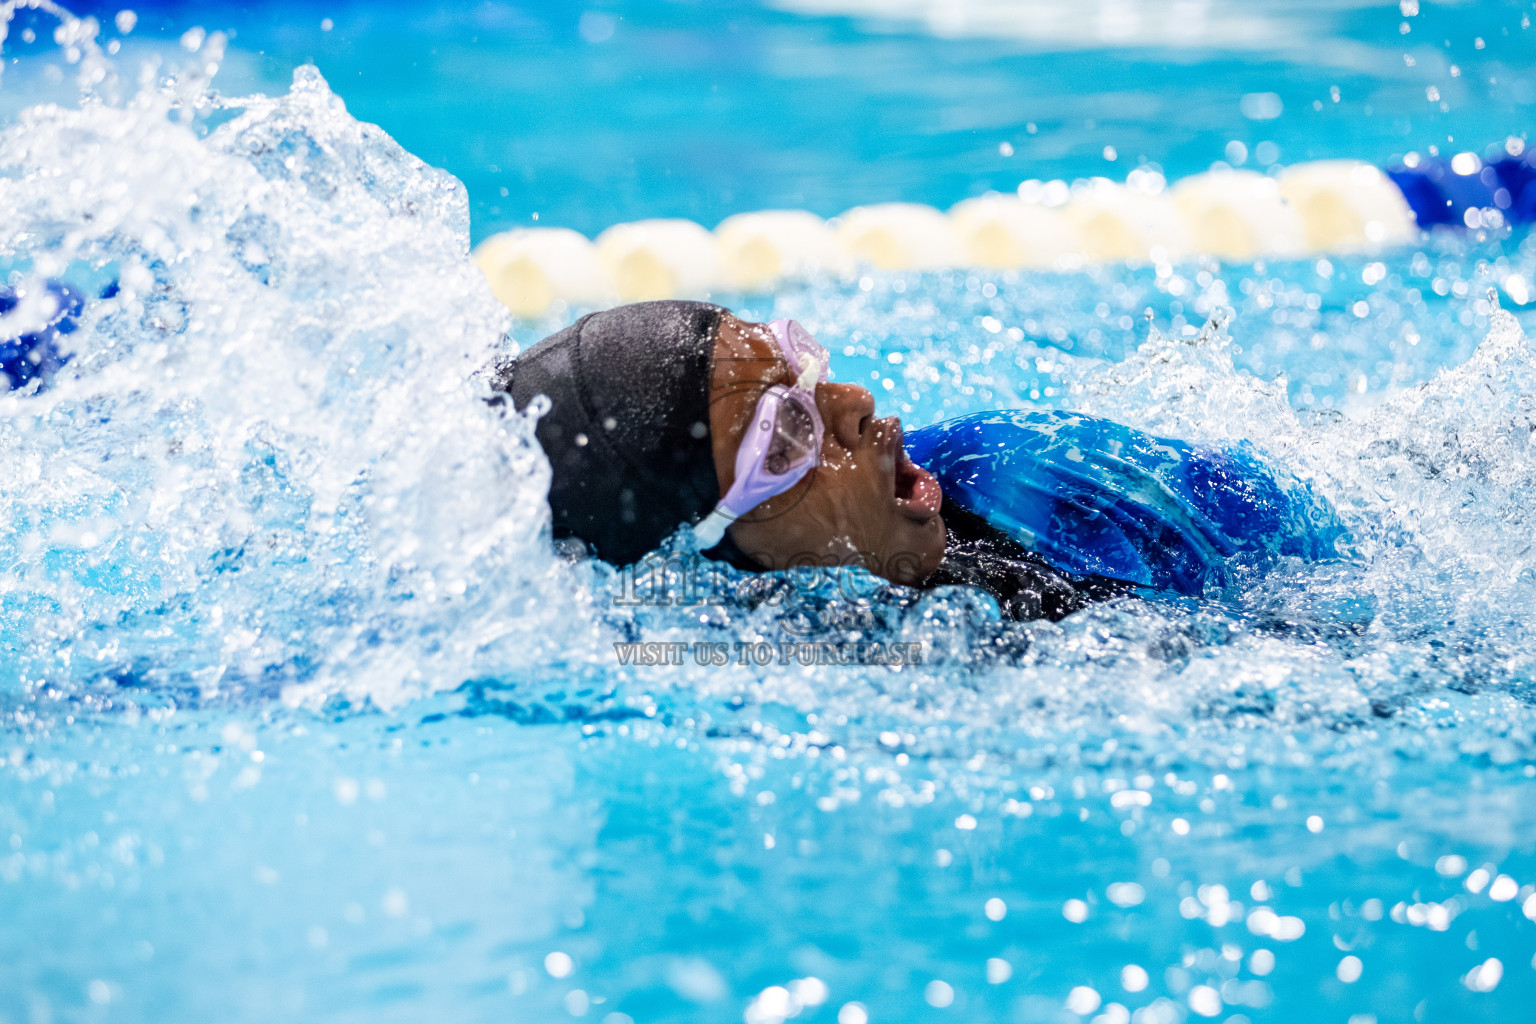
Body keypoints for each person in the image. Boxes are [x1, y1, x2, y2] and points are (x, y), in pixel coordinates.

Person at [492, 300, 1344, 621]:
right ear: (696, 549)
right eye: (786, 439)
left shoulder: (1025, 479)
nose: (855, 403)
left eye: (802, 369)